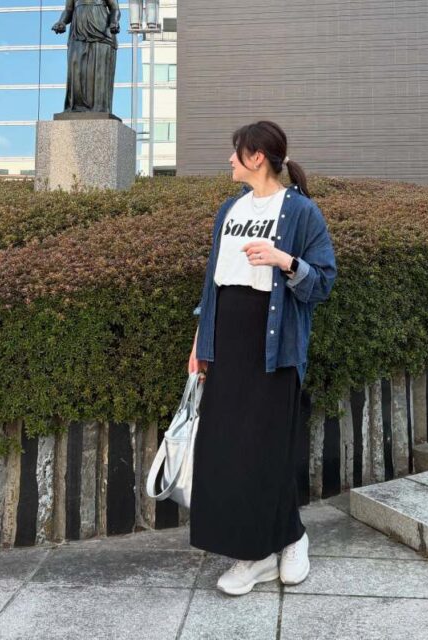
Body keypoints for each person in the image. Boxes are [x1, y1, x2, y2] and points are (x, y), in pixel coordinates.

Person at [187, 120, 337, 596]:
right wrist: (200, 342)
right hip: (226, 342)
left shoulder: (301, 211)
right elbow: (213, 283)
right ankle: (269, 547)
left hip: (274, 348)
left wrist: (283, 260)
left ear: (257, 158)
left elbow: (323, 282)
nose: (229, 160)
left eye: (236, 152)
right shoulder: (229, 210)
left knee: (267, 449)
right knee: (228, 449)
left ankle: (277, 545)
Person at [51, 0, 120, 113]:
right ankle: (77, 107)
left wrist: (114, 21)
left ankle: (99, 108)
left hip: (102, 32)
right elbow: (68, 10)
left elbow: (115, 8)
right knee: (76, 69)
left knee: (99, 71)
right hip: (78, 33)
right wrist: (61, 22)